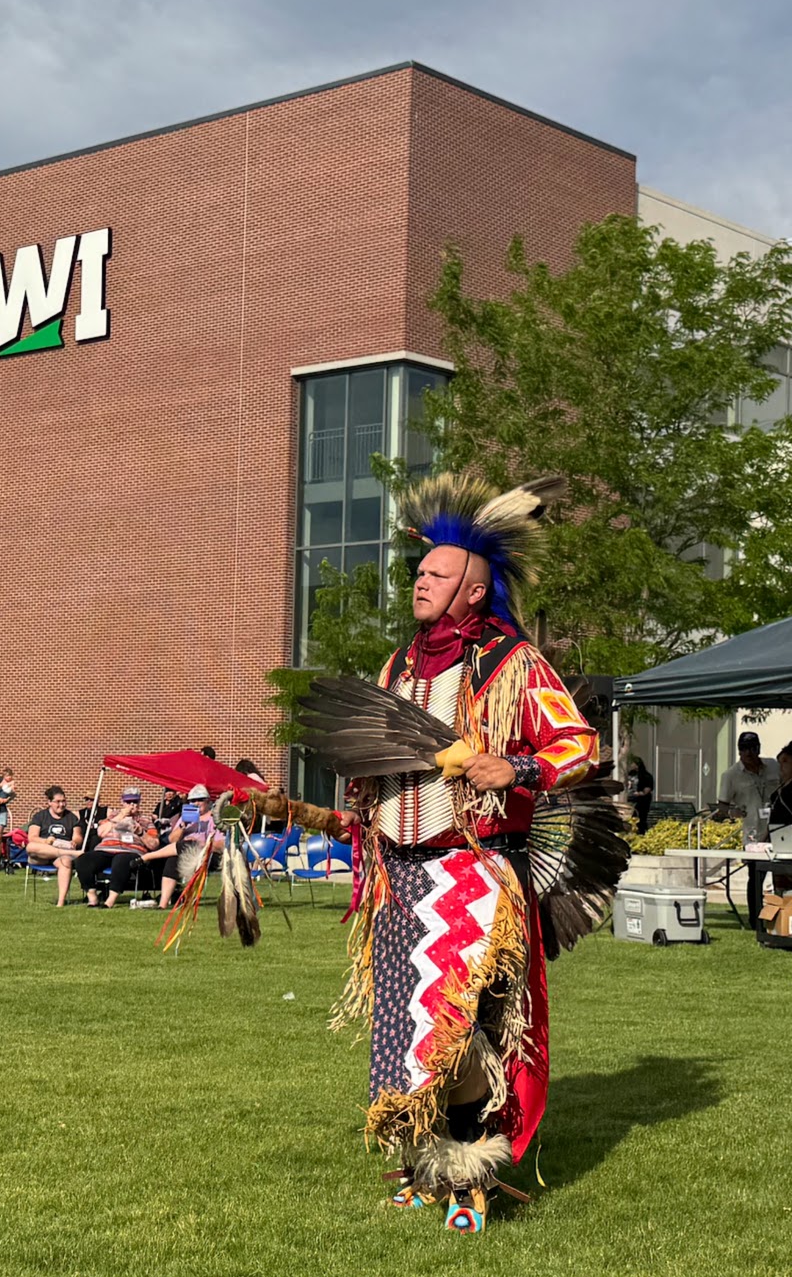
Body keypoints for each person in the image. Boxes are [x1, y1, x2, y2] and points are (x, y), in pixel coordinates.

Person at [224, 473, 606, 1229]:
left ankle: (471, 1166)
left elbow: (580, 745)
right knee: (404, 1026)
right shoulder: (398, 668)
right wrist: (297, 811)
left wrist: (516, 766)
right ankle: (427, 1158)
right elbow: (377, 791)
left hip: (472, 865)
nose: (419, 581)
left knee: (453, 1023)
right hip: (396, 874)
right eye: (419, 570)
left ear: (473, 587)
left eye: (436, 572)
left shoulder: (512, 663)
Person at [75, 787, 159, 908]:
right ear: (122, 802)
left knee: (121, 860)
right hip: (106, 849)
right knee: (83, 860)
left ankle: (110, 900)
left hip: (130, 851)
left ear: (139, 802)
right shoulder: (112, 817)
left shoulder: (145, 820)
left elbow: (154, 845)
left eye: (135, 802)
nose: (132, 805)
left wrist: (141, 832)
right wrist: (120, 816)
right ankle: (92, 897)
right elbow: (100, 833)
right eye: (128, 802)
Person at [155, 783, 225, 910]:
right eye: (193, 800)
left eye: (200, 800)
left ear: (208, 801)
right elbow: (172, 840)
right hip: (182, 850)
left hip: (206, 853)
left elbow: (221, 844)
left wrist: (202, 844)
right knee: (172, 860)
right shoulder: (185, 818)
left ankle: (190, 899)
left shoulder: (215, 818)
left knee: (192, 855)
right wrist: (183, 825)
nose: (196, 803)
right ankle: (163, 904)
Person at [714, 731, 778, 847]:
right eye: (744, 748)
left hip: (778, 830)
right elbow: (722, 806)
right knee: (755, 863)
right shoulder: (730, 775)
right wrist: (731, 812)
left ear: (759, 748)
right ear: (739, 750)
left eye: (752, 748)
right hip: (753, 833)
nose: (748, 752)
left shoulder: (773, 766)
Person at [24, 786, 84, 906]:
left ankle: (60, 902)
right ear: (49, 802)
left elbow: (78, 836)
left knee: (66, 861)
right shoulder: (40, 816)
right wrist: (47, 841)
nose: (61, 805)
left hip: (62, 853)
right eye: (58, 801)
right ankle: (72, 853)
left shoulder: (71, 817)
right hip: (41, 855)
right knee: (30, 847)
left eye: (63, 801)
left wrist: (75, 842)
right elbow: (32, 837)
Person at [625, 757, 655, 833]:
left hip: (642, 801)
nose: (631, 765)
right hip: (629, 800)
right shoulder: (630, 774)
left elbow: (647, 789)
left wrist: (639, 793)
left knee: (640, 818)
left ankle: (641, 832)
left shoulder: (646, 776)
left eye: (632, 763)